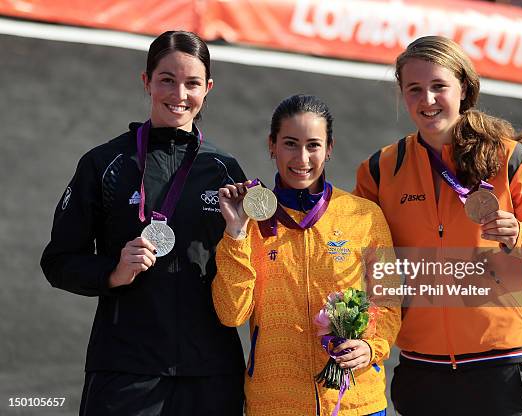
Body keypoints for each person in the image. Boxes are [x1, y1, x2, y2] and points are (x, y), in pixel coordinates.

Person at [354, 36, 522, 416]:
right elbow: (364, 257)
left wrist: (519, 235)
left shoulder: (509, 157)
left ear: (464, 88)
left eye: (439, 86)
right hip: (423, 367)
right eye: (414, 89)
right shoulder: (381, 168)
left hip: (501, 366)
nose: (427, 100)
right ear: (402, 94)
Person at [40, 31, 246, 415]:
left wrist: (241, 233)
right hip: (125, 368)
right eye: (167, 79)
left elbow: (249, 266)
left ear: (208, 88)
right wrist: (114, 272)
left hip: (210, 372)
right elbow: (59, 261)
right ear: (146, 81)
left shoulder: (223, 171)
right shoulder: (105, 165)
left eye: (192, 83)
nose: (179, 94)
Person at [212, 94, 401, 415]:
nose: (302, 157)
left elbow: (390, 302)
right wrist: (235, 232)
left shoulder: (364, 216)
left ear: (329, 148)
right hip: (275, 403)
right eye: (290, 143)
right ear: (271, 145)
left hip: (357, 403)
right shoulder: (250, 221)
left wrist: (371, 347)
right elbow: (231, 313)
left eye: (313, 145)